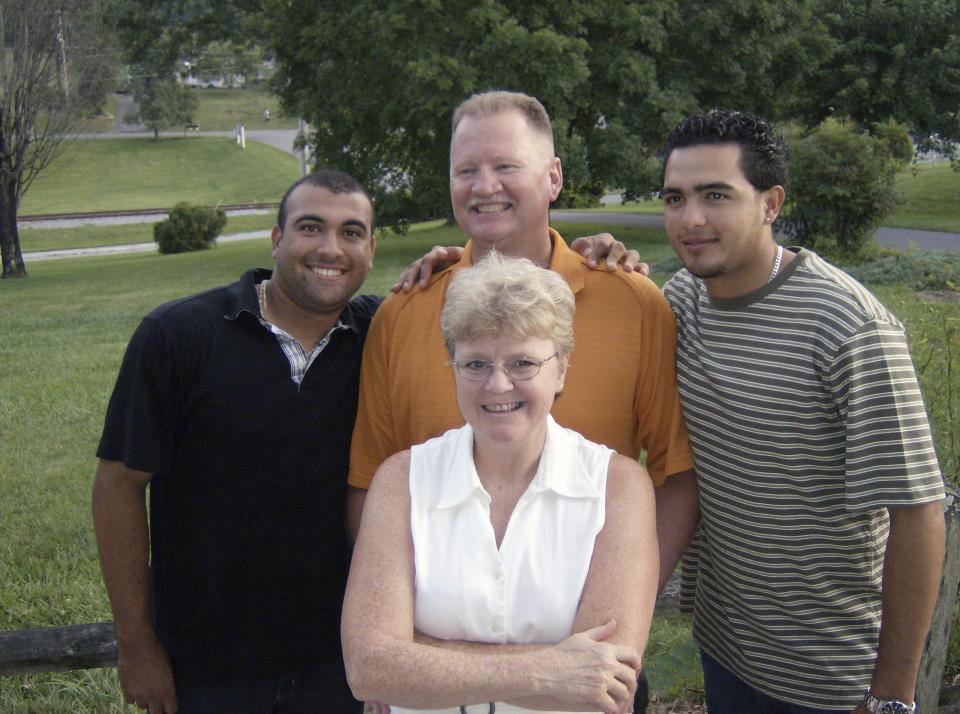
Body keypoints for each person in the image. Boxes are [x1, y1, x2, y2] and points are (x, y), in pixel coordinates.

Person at [91, 166, 634, 714]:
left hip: (334, 660)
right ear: (277, 238)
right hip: (210, 660)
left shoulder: (380, 328)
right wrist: (136, 643)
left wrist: (471, 264)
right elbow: (117, 484)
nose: (330, 248)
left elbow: (474, 313)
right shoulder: (181, 336)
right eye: (310, 227)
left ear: (371, 250)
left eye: (351, 233)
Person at [348, 90, 697, 597]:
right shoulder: (402, 314)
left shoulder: (633, 304)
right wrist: (407, 609)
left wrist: (621, 610)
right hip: (442, 643)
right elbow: (369, 486)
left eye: (506, 165)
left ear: (553, 177)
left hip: (592, 640)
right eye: (466, 170)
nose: (484, 186)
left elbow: (676, 477)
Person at [658, 110, 946, 714]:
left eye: (717, 195)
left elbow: (918, 513)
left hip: (830, 677)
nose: (692, 219)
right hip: (725, 647)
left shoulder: (847, 327)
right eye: (675, 198)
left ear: (770, 204)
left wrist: (892, 695)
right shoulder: (681, 301)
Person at [342, 252, 659, 714]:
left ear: (562, 369)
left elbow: (604, 688)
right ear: (451, 366)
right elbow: (370, 669)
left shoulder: (618, 488)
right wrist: (551, 670)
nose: (497, 385)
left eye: (523, 362)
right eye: (474, 365)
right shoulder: (402, 481)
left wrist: (420, 655)